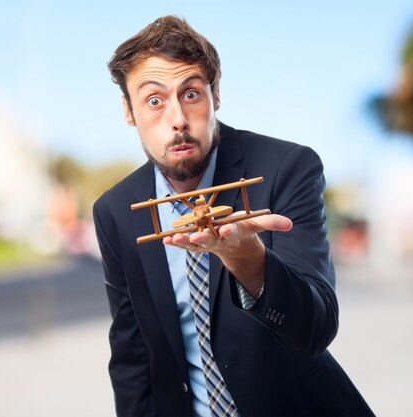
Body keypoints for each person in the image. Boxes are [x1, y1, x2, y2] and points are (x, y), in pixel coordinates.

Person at [93, 15, 374, 417]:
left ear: (216, 94)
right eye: (154, 100)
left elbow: (317, 328)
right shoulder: (115, 211)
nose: (177, 119)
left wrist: (250, 262)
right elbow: (133, 358)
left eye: (191, 94)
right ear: (129, 110)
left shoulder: (288, 168)